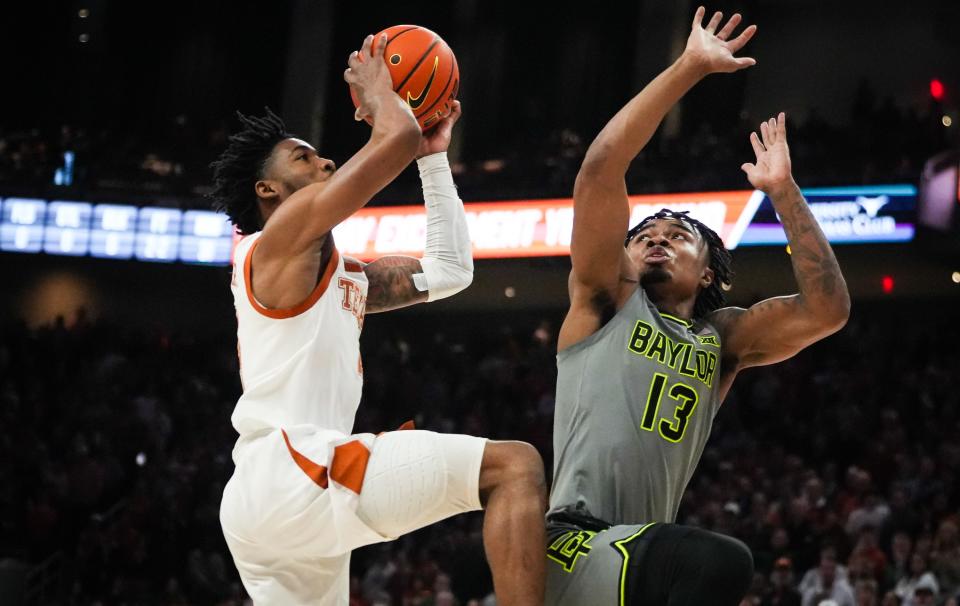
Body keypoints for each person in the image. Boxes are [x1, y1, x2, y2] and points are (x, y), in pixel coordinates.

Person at [212, 34, 546, 605]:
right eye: (304, 157)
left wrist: (435, 159)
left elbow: (449, 270)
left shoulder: (336, 273)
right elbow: (397, 137)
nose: (326, 160)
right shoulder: (274, 240)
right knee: (515, 465)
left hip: (271, 502)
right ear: (267, 189)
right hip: (293, 470)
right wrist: (377, 91)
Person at [545, 6, 850, 605]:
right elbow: (602, 169)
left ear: (709, 271)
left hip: (641, 553)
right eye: (644, 234)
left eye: (678, 236)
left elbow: (827, 310)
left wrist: (784, 194)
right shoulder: (605, 299)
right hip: (574, 542)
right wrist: (688, 67)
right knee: (721, 562)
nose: (655, 237)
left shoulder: (723, 341)